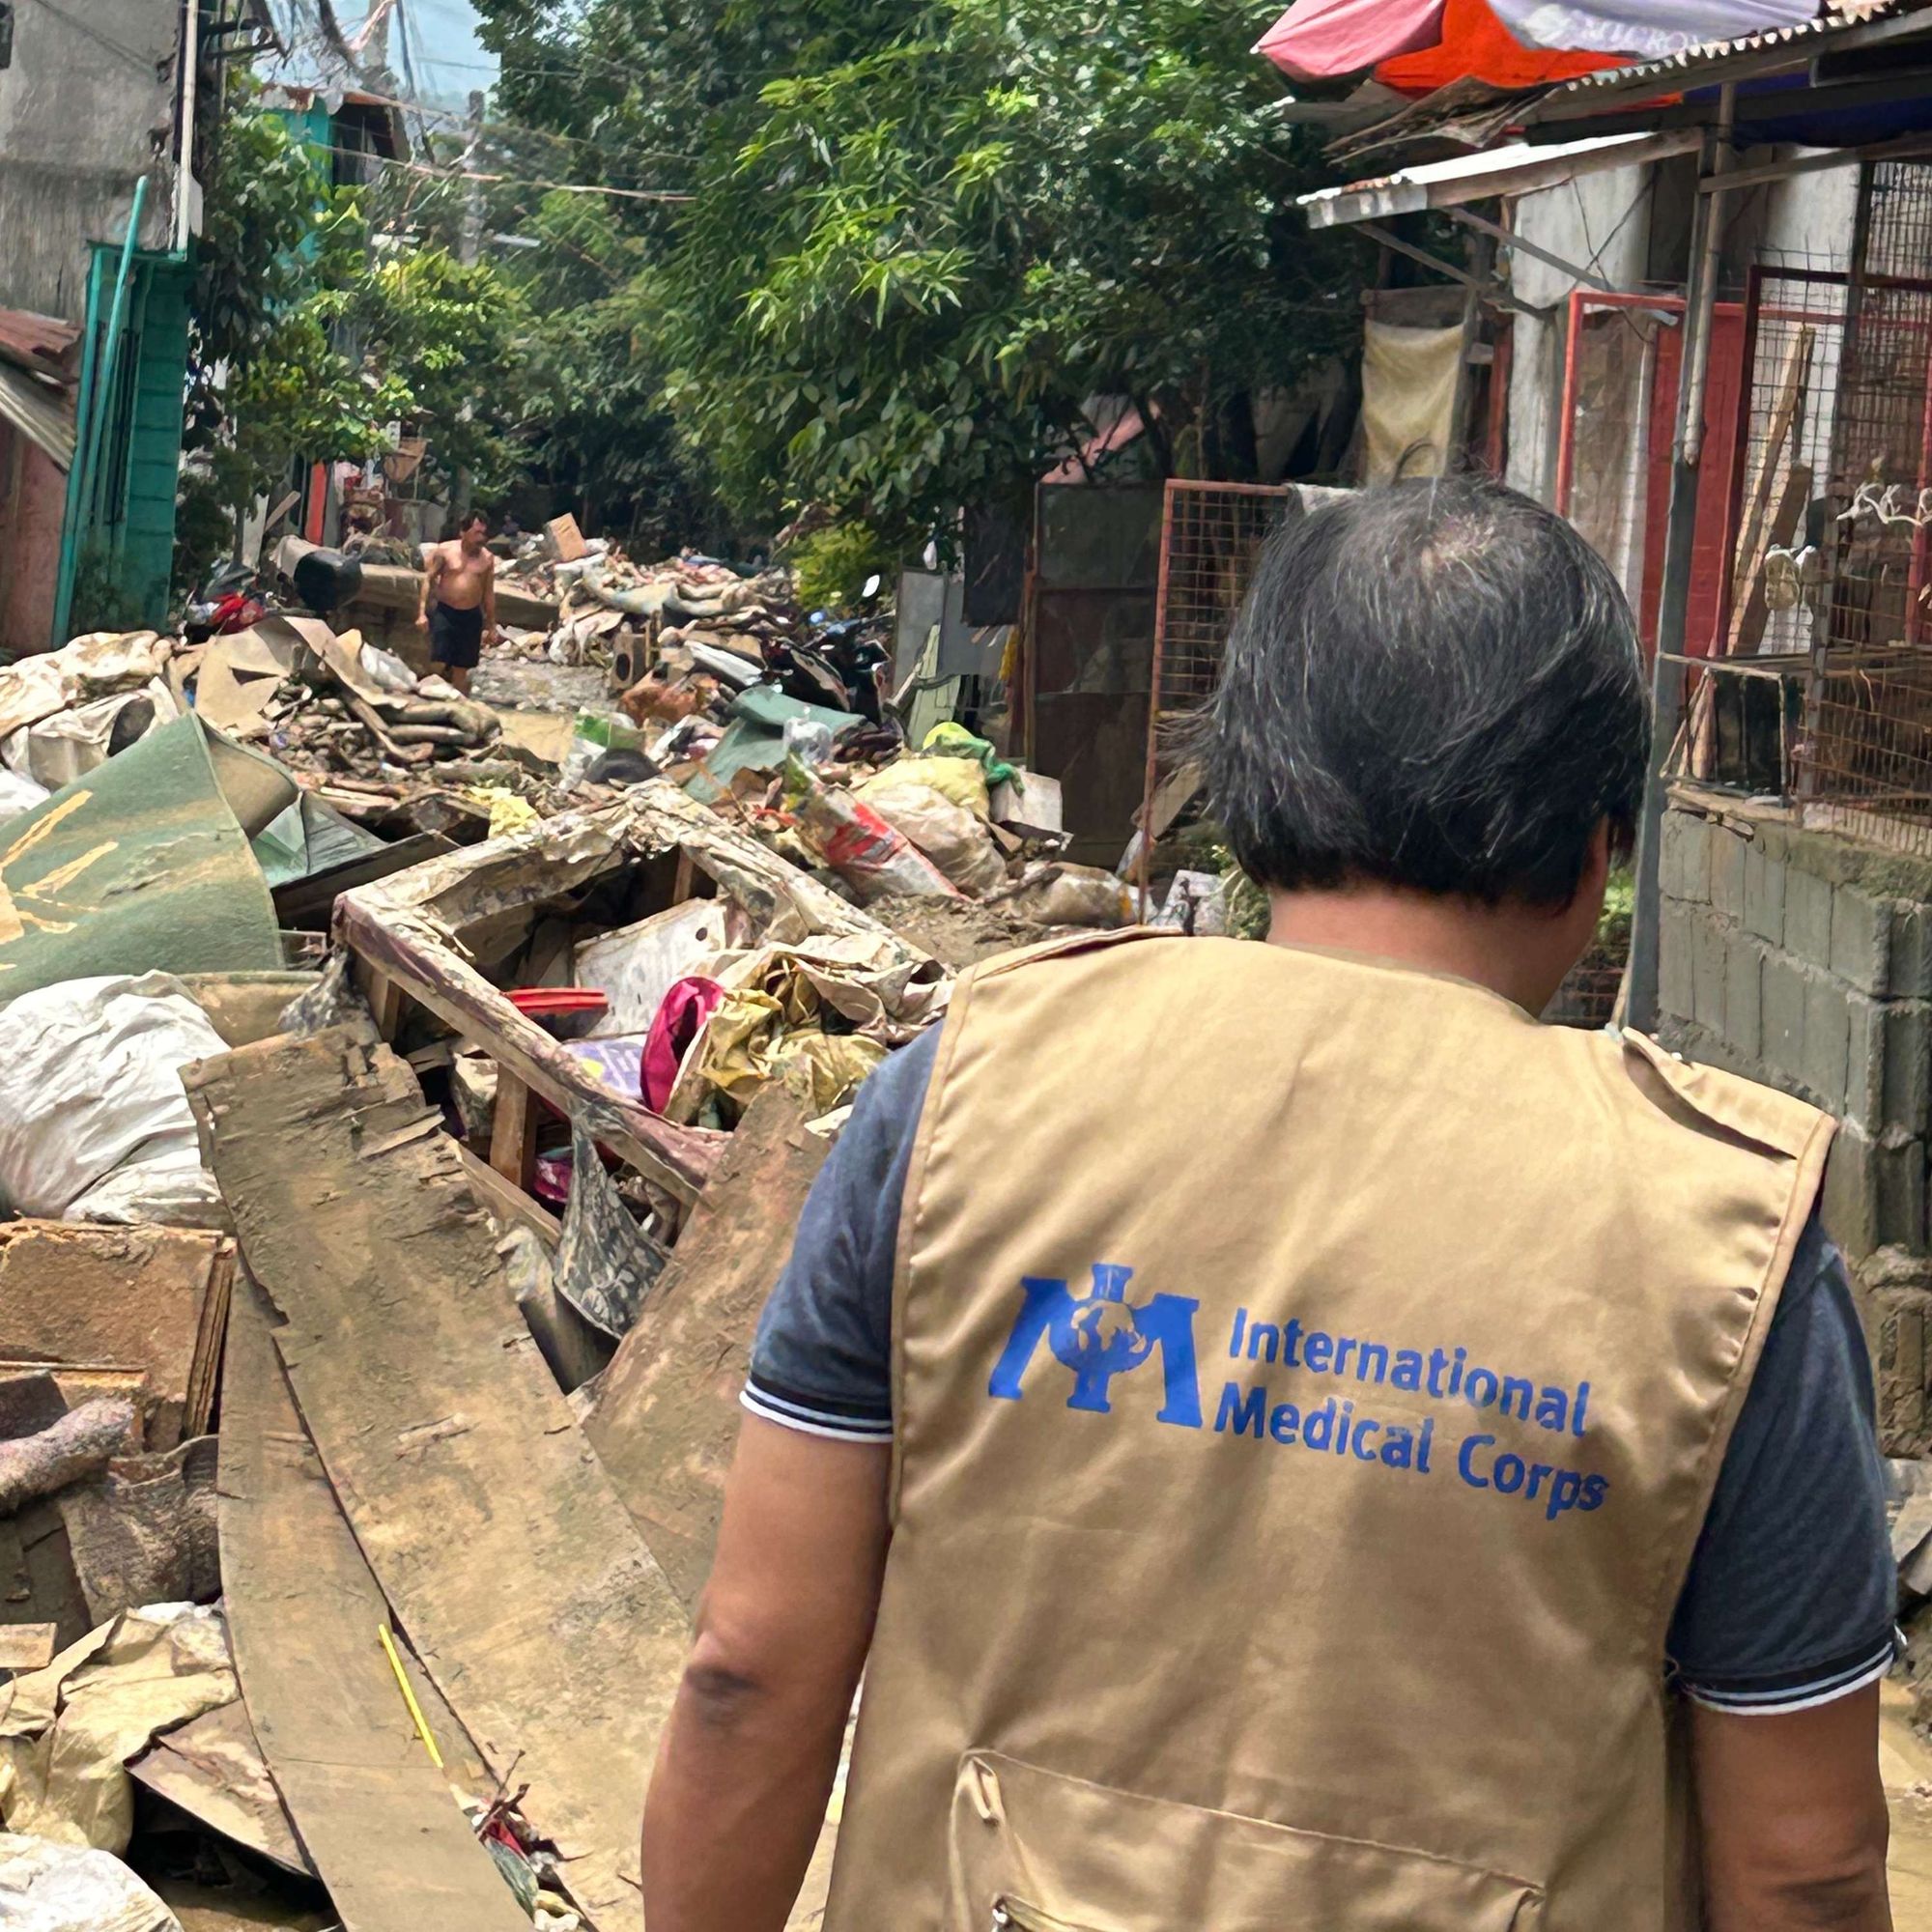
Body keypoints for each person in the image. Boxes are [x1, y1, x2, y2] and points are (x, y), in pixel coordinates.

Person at [642, 479, 1897, 1932]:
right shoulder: (1731, 1245)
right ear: (1601, 855)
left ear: (1248, 797)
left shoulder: (959, 1097)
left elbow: (750, 1672)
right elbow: (1801, 1866)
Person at [416, 510, 497, 694]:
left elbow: (488, 593)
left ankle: (458, 705)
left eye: (484, 533)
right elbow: (428, 580)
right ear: (463, 532)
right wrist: (421, 613)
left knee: (462, 666)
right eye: (477, 532)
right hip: (446, 612)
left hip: (471, 615)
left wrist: (491, 625)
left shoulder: (487, 559)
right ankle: (430, 700)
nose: (481, 538)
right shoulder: (445, 551)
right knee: (438, 660)